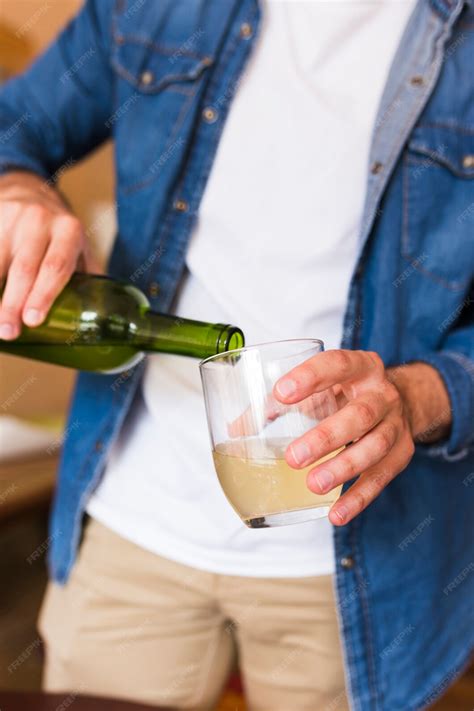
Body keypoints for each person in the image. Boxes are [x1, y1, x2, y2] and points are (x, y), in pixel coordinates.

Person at [0, 0, 473, 709]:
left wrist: (418, 395)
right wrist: (17, 190)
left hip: (363, 561)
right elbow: (17, 124)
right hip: (135, 520)